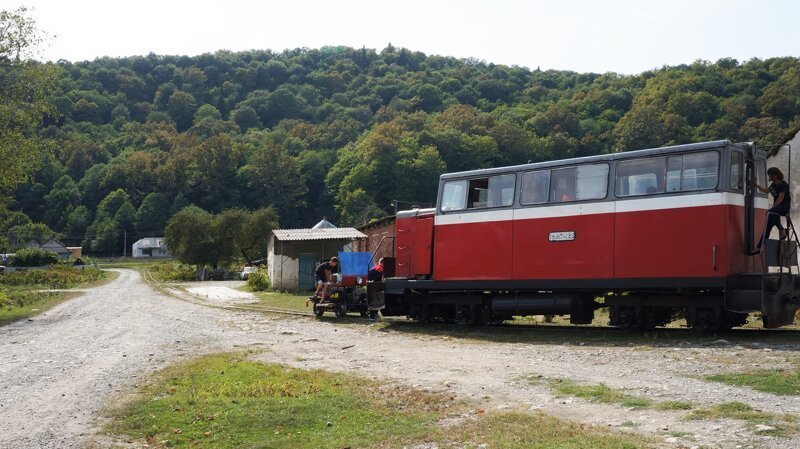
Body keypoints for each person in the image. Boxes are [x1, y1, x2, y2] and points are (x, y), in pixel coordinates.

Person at [756, 167, 792, 248]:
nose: (769, 177)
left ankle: (782, 230)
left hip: (784, 207)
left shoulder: (783, 184)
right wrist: (756, 185)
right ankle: (760, 245)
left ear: (775, 176)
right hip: (777, 208)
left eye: (769, 175)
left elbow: (780, 198)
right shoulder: (774, 185)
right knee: (768, 224)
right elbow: (766, 191)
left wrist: (772, 208)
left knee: (770, 213)